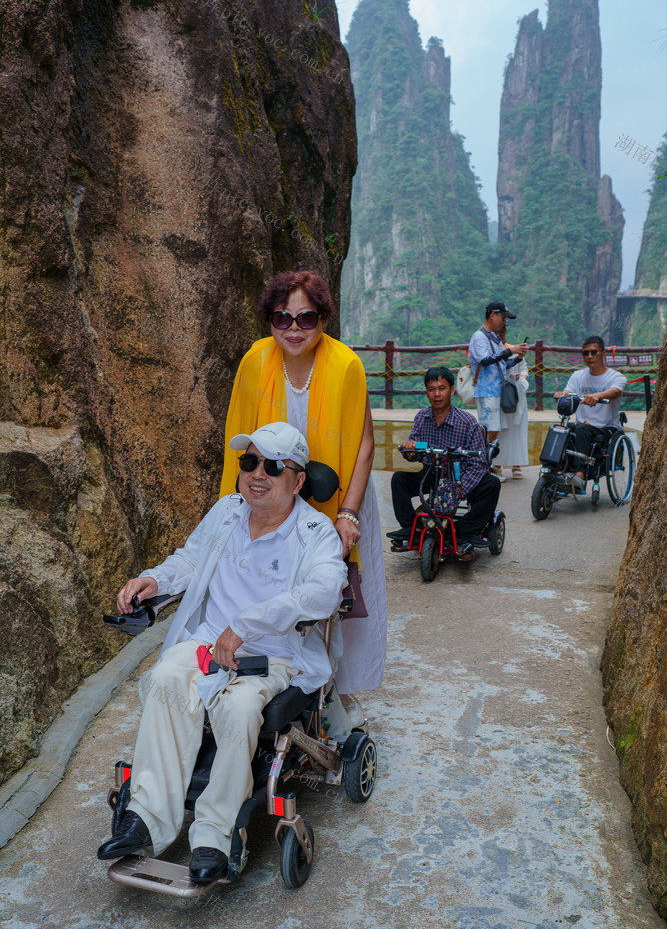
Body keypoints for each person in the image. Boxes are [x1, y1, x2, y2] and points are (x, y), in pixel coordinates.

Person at [97, 423, 347, 883]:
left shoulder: (316, 532)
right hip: (210, 642)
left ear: (298, 480)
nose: (258, 474)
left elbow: (323, 593)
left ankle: (214, 836)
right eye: (249, 462)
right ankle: (147, 821)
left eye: (273, 466)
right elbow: (190, 559)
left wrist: (245, 626)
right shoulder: (227, 512)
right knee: (166, 675)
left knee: (238, 708)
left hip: (270, 656)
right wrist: (155, 580)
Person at [219, 270, 386, 695]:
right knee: (267, 583)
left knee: (329, 593)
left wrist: (348, 513)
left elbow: (364, 445)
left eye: (305, 319)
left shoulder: (346, 365)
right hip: (271, 494)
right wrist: (232, 510)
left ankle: (332, 695)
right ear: (269, 320)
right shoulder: (255, 362)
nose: (294, 329)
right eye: (282, 318)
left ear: (323, 320)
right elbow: (235, 437)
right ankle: (271, 676)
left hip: (338, 495)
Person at [387, 366, 500, 549]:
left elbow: (479, 464)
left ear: (452, 391)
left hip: (460, 476)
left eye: (442, 388)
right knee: (399, 480)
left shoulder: (467, 422)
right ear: (427, 393)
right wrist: (410, 451)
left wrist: (455, 492)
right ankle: (410, 528)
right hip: (432, 473)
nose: (437, 394)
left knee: (492, 484)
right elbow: (414, 452)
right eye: (432, 390)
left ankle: (466, 531)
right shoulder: (422, 418)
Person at [555, 336, 627, 491]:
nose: (589, 356)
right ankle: (556, 470)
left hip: (606, 426)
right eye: (585, 353)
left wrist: (598, 396)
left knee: (581, 429)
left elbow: (615, 391)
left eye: (594, 352)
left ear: (603, 353)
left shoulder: (616, 377)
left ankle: (580, 474)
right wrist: (563, 395)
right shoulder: (578, 376)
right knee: (559, 429)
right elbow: (568, 391)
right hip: (583, 425)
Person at [468, 301, 528, 481]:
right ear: (492, 315)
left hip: (496, 390)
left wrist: (518, 358)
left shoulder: (494, 337)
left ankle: (484, 468)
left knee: (493, 431)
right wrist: (511, 351)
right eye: (503, 318)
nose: (505, 322)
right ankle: (481, 469)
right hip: (487, 391)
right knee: (489, 431)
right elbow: (485, 360)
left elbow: (502, 364)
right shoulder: (479, 337)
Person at [496, 330, 530, 479]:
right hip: (499, 396)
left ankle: (517, 464)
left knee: (517, 431)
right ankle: (497, 463)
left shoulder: (514, 350)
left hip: (516, 395)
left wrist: (520, 378)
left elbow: (524, 369)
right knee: (500, 432)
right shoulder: (492, 353)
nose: (500, 336)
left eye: (502, 333)